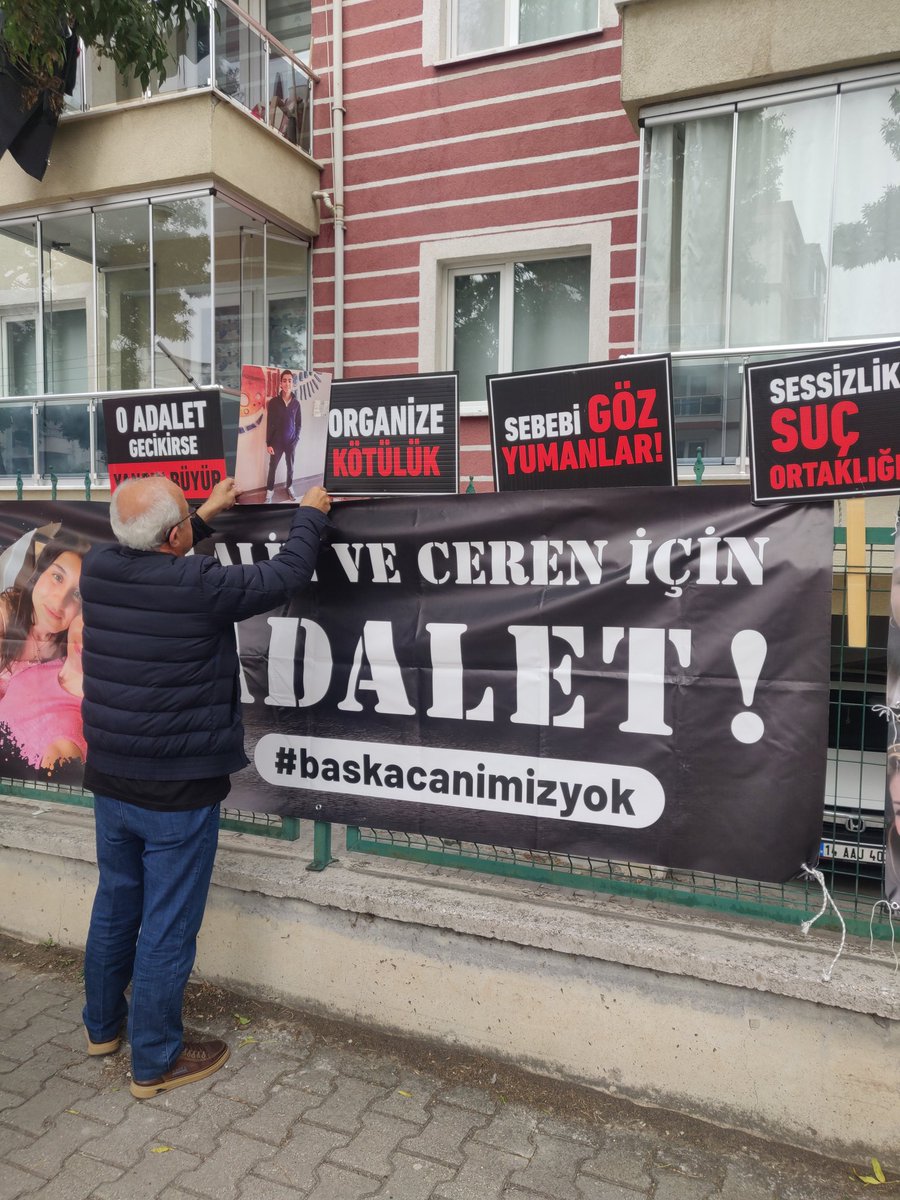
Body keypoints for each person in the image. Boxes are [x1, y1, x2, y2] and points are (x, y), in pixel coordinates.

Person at [80, 474, 332, 1099]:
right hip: (177, 789)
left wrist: (205, 517)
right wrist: (310, 516)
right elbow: (282, 577)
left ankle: (102, 1029)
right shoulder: (196, 585)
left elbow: (155, 560)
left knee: (116, 904)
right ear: (175, 537)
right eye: (187, 519)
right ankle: (156, 1061)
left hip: (111, 778)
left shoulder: (97, 567)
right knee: (167, 925)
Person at [0, 532, 88, 700]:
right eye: (57, 577)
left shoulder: (72, 647)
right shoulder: (4, 617)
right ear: (39, 573)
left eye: (78, 594)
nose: (60, 601)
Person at [0, 610, 86, 772]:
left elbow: (49, 791)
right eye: (91, 618)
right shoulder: (48, 662)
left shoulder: (66, 738)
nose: (88, 639)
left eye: (113, 639)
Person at [265, 368, 301, 502]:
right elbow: (270, 424)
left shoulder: (296, 404)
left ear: (293, 383)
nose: (287, 383)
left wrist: (296, 440)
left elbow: (299, 424)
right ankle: (269, 492)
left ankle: (290, 486)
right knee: (272, 468)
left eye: (289, 381)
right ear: (280, 384)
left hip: (291, 443)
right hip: (276, 443)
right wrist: (268, 443)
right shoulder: (273, 402)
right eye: (284, 381)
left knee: (291, 467)